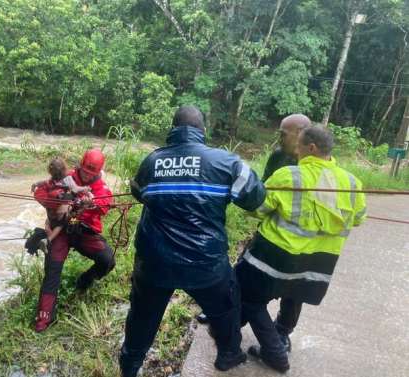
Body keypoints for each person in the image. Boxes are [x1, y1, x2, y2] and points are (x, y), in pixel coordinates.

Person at [119, 105, 266, 377]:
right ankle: (229, 354)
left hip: (154, 263)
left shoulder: (151, 162)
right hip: (206, 263)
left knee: (141, 317)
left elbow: (139, 193)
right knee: (226, 308)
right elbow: (255, 198)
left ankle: (130, 368)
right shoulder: (226, 162)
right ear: (203, 131)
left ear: (172, 130)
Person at [236, 125, 367, 372]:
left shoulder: (290, 176)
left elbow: (257, 209)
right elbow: (359, 217)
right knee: (293, 295)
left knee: (247, 296)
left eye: (299, 146)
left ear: (311, 148)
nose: (295, 150)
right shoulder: (352, 183)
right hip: (317, 264)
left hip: (276, 258)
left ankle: (274, 352)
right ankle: (279, 337)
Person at [197, 114, 311, 352]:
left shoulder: (317, 164)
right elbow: (262, 192)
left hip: (304, 243)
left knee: (295, 289)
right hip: (271, 233)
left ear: (301, 132)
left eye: (283, 134)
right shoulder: (279, 157)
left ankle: (282, 332)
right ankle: (227, 315)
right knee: (243, 274)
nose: (279, 138)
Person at [32, 149, 116, 333]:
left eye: (91, 173)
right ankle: (45, 317)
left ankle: (84, 281)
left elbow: (104, 205)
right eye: (85, 170)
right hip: (61, 231)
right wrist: (57, 201)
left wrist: (91, 203)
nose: (86, 175)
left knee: (108, 260)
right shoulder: (66, 177)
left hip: (84, 232)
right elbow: (41, 192)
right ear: (80, 166)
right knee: (52, 269)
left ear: (98, 173)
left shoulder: (102, 188)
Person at [28, 157, 92, 252]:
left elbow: (42, 183)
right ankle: (48, 240)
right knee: (61, 225)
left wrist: (35, 184)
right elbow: (76, 189)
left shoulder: (51, 180)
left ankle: (48, 239)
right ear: (64, 169)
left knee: (48, 222)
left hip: (51, 213)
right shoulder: (68, 179)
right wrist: (85, 188)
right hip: (60, 215)